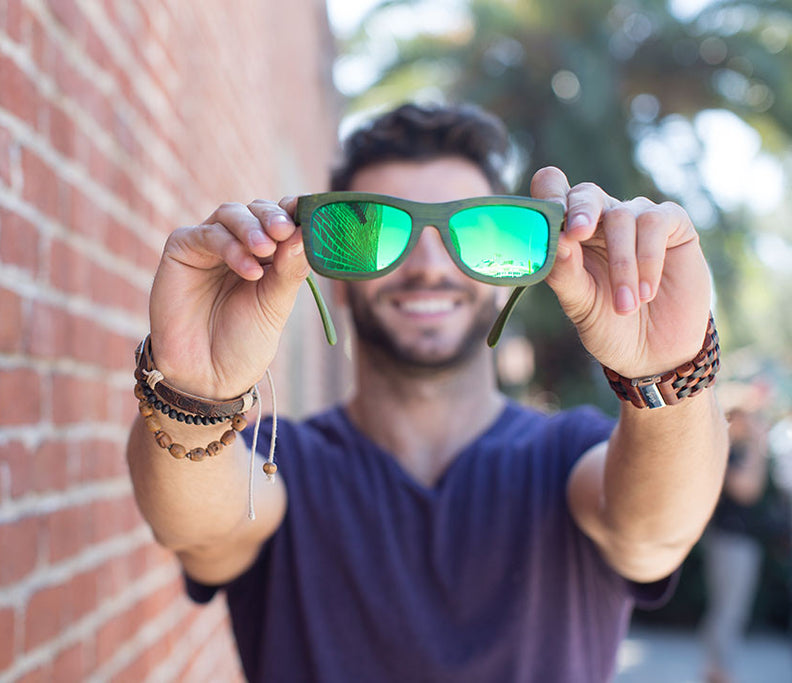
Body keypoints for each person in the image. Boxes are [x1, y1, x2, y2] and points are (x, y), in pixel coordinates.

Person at [126, 103, 729, 682]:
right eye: (375, 231)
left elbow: (654, 533)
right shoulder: (280, 462)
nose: (428, 265)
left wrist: (670, 372)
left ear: (509, 276)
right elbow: (198, 528)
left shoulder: (569, 454)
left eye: (478, 230)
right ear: (331, 273)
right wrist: (194, 397)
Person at [700, 407, 770, 683]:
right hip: (729, 540)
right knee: (727, 609)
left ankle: (717, 668)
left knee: (732, 609)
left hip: (740, 541)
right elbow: (747, 491)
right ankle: (718, 670)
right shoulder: (728, 452)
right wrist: (757, 445)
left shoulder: (739, 452)